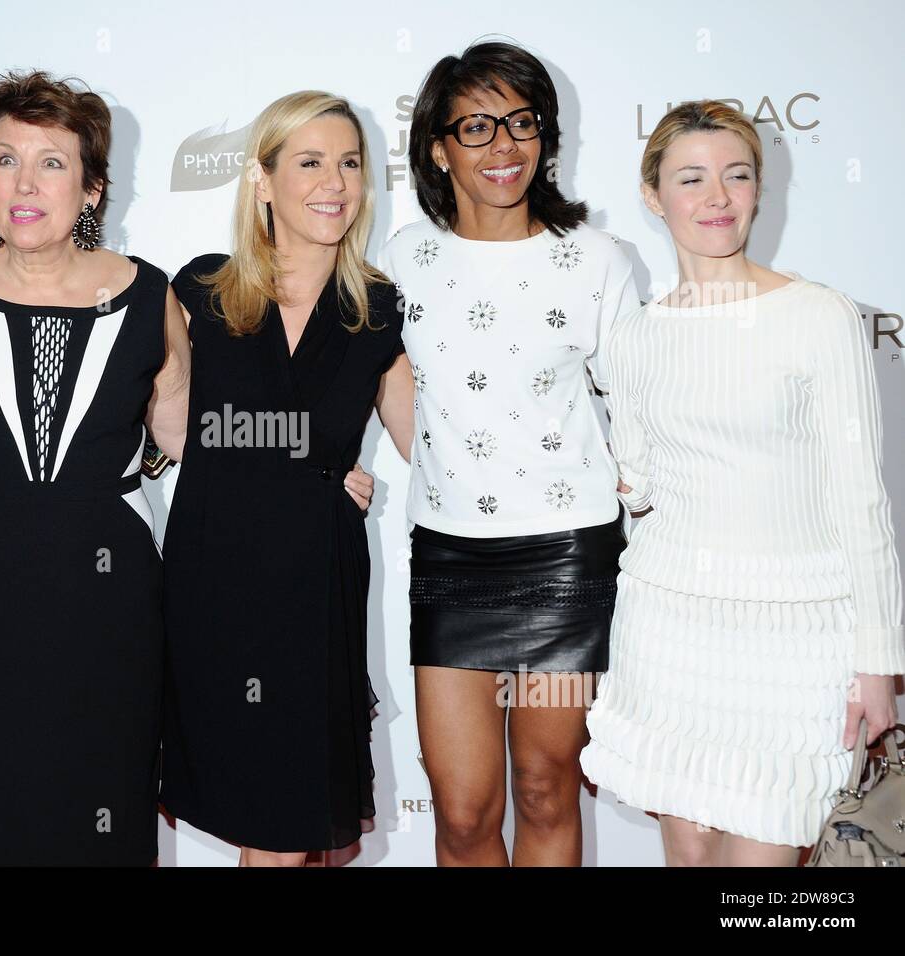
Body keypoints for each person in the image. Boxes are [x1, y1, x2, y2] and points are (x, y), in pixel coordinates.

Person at [579, 100, 903, 866]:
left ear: (760, 189)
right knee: (690, 862)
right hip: (670, 633)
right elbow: (640, 485)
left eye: (738, 175)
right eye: (692, 179)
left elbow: (864, 499)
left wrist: (879, 662)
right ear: (654, 196)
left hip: (796, 643)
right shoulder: (633, 336)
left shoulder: (817, 316)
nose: (718, 198)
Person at [0, 69, 190, 865]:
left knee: (103, 809)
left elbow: (195, 442)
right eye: (5, 158)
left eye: (52, 162)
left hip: (109, 605)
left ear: (92, 188)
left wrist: (314, 473)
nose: (25, 183)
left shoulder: (150, 295)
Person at [377, 41, 639, 866]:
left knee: (544, 786)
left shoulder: (597, 260)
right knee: (460, 813)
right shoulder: (402, 259)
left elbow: (637, 409)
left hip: (567, 559)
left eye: (522, 122)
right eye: (479, 127)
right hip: (452, 556)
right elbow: (386, 385)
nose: (505, 147)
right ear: (437, 147)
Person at [161, 91, 412, 866]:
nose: (333, 180)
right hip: (220, 588)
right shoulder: (199, 291)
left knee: (305, 841)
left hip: (317, 588)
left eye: (348, 163)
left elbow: (437, 446)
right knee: (279, 836)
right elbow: (163, 430)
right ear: (261, 180)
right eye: (308, 162)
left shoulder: (378, 309)